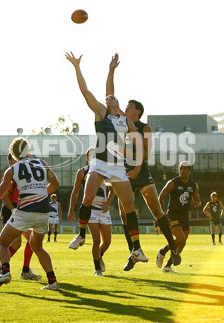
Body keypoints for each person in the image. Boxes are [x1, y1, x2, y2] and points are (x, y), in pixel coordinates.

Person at [65, 51, 148, 265]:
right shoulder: (101, 113)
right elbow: (85, 91)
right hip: (100, 163)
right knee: (88, 197)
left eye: (112, 97)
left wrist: (137, 164)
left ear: (117, 103)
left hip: (118, 167)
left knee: (129, 206)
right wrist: (77, 67)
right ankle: (81, 235)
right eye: (108, 97)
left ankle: (136, 249)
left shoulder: (125, 121)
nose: (109, 97)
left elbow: (138, 144)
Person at [0, 137, 60, 290]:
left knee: (3, 243)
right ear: (28, 150)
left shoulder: (12, 169)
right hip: (43, 213)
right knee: (38, 247)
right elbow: (56, 184)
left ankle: (5, 271)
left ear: (12, 154)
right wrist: (39, 195)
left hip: (24, 212)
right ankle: (52, 281)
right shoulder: (42, 164)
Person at [118, 99, 181, 271]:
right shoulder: (120, 125)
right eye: (126, 106)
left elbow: (145, 155)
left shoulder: (144, 128)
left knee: (156, 209)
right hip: (124, 172)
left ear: (137, 111)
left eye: (130, 107)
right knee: (123, 214)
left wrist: (127, 152)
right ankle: (134, 252)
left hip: (142, 172)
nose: (126, 108)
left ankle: (173, 247)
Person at [0, 152, 41, 281]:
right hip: (12, 209)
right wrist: (13, 209)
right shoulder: (11, 172)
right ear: (10, 161)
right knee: (26, 240)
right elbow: (3, 195)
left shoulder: (18, 172)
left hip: (18, 209)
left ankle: (1, 270)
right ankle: (22, 271)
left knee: (22, 242)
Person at [69, 148, 114, 276]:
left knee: (108, 241)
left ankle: (99, 257)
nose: (94, 157)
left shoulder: (105, 171)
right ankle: (97, 269)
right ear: (87, 158)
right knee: (96, 239)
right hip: (90, 209)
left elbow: (113, 189)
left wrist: (108, 203)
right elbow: (76, 191)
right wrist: (71, 209)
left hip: (103, 209)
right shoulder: (82, 172)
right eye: (91, 155)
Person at [157, 161, 201, 273]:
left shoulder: (193, 185)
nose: (183, 170)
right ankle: (162, 252)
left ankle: (167, 266)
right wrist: (161, 214)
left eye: (186, 168)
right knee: (180, 239)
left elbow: (198, 200)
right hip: (172, 214)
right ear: (178, 169)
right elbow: (160, 197)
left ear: (190, 171)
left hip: (184, 215)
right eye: (181, 168)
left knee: (182, 242)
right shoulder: (172, 183)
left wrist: (197, 203)